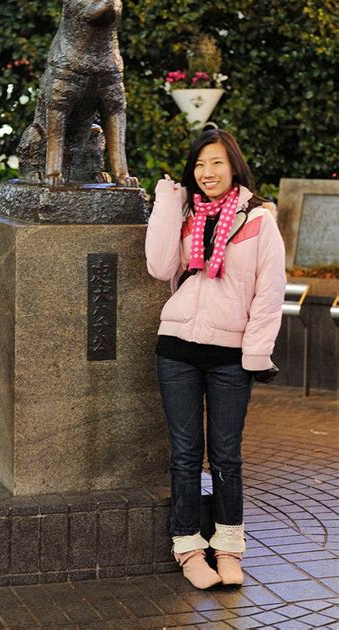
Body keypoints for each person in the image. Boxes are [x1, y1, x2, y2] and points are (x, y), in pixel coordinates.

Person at [145, 128, 285, 589]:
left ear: (234, 166)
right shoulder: (185, 213)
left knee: (226, 456)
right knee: (185, 456)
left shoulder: (260, 221)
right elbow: (160, 267)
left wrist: (256, 354)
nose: (208, 173)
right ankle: (187, 547)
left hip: (230, 355)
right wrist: (167, 203)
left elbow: (269, 294)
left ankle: (227, 546)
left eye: (217, 163)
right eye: (201, 165)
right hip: (177, 349)